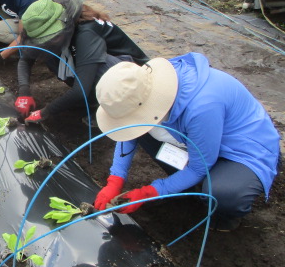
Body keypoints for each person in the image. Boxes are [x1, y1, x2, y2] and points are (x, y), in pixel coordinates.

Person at [92, 53, 281, 232]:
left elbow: (200, 167)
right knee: (141, 130)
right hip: (199, 140)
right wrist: (115, 180)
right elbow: (130, 132)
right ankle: (190, 186)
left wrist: (147, 193)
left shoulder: (202, 107)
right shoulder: (148, 88)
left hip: (243, 150)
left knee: (223, 194)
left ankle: (226, 215)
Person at [14, 0, 148, 124]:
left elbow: (80, 90)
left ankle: (107, 107)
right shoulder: (63, 28)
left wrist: (45, 112)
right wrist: (24, 92)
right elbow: (26, 59)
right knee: (49, 53)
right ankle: (91, 98)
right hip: (89, 61)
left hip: (131, 76)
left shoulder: (86, 33)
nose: (48, 41)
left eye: (51, 37)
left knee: (96, 70)